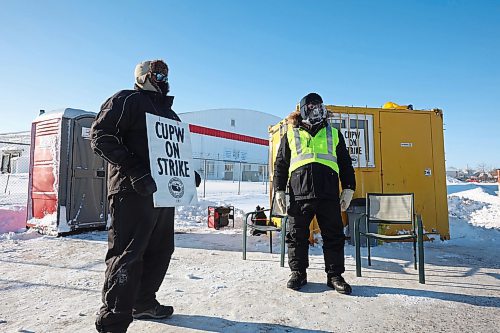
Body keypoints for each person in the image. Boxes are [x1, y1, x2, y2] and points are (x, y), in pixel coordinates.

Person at [90, 59, 201, 333]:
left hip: (163, 194)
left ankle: (142, 302)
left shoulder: (170, 114)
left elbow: (172, 151)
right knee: (128, 254)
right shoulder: (127, 100)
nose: (163, 78)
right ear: (143, 76)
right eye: (157, 73)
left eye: (165, 74)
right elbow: (101, 135)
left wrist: (187, 174)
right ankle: (113, 320)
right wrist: (135, 171)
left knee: (161, 250)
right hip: (132, 190)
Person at [273, 92, 356, 294]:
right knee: (296, 236)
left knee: (334, 235)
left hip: (328, 194)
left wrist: (349, 187)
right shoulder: (290, 134)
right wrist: (279, 190)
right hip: (299, 194)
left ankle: (335, 276)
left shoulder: (333, 134)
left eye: (319, 107)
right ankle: (298, 273)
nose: (316, 111)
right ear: (302, 111)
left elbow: (345, 163)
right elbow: (281, 165)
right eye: (311, 108)